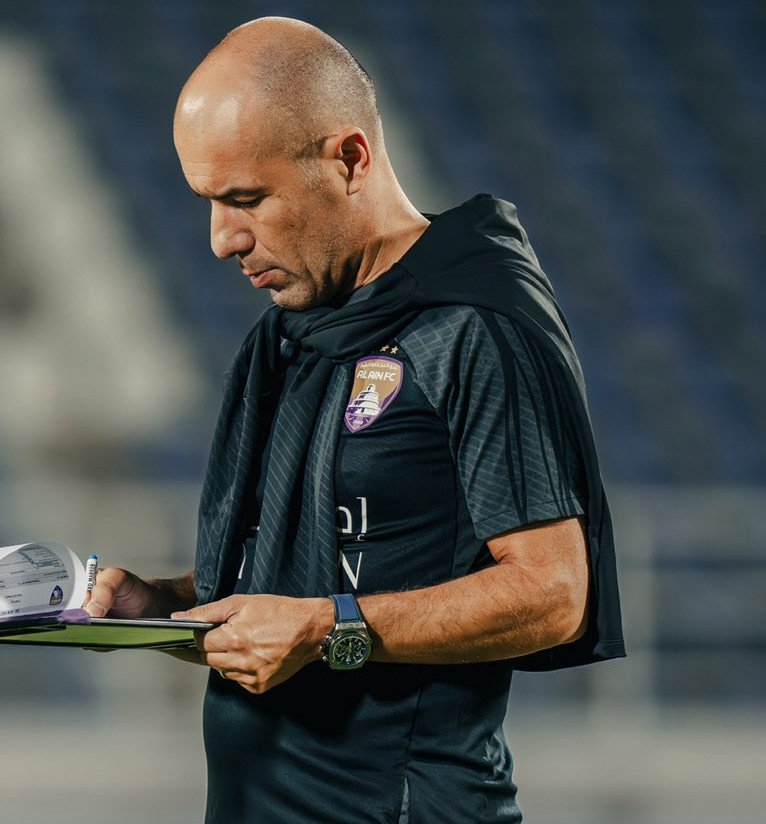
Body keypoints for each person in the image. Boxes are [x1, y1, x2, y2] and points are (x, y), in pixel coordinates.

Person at [85, 16, 624, 824]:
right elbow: (326, 562)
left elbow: (552, 591)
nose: (221, 239)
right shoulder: (299, 329)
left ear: (349, 159)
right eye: (208, 202)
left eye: (246, 199)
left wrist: (331, 628)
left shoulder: (470, 326)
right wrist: (162, 605)